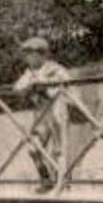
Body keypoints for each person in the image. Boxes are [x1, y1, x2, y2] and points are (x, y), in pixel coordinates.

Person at [11, 36, 75, 192]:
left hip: (57, 112)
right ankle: (46, 180)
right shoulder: (30, 72)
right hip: (40, 115)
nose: (27, 58)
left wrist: (44, 82)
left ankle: (62, 183)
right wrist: (32, 83)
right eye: (26, 54)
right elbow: (17, 88)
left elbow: (67, 81)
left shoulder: (54, 68)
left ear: (40, 54)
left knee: (59, 150)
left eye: (29, 54)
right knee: (32, 148)